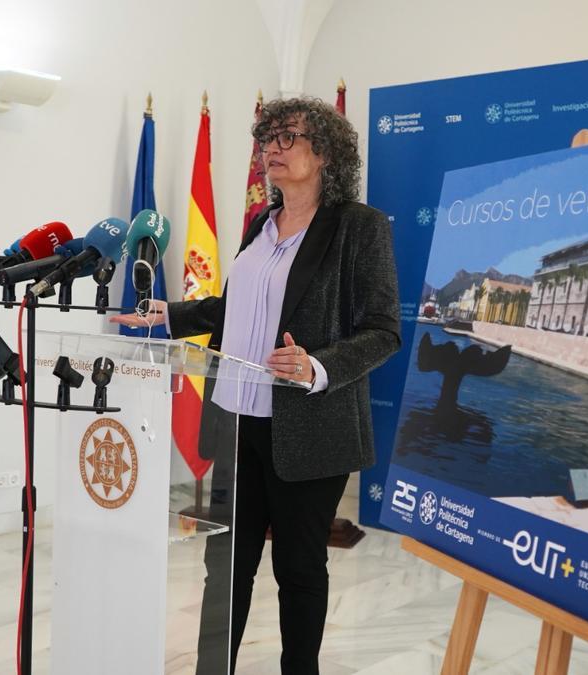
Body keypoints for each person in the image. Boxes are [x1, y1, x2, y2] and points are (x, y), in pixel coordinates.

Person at [111, 97, 400, 674]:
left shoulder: (357, 227)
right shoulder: (259, 225)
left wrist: (316, 366)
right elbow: (234, 307)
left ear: (325, 153)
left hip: (310, 427)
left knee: (297, 568)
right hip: (237, 418)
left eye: (287, 137)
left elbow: (384, 330)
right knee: (226, 564)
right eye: (267, 138)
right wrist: (168, 314)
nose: (272, 148)